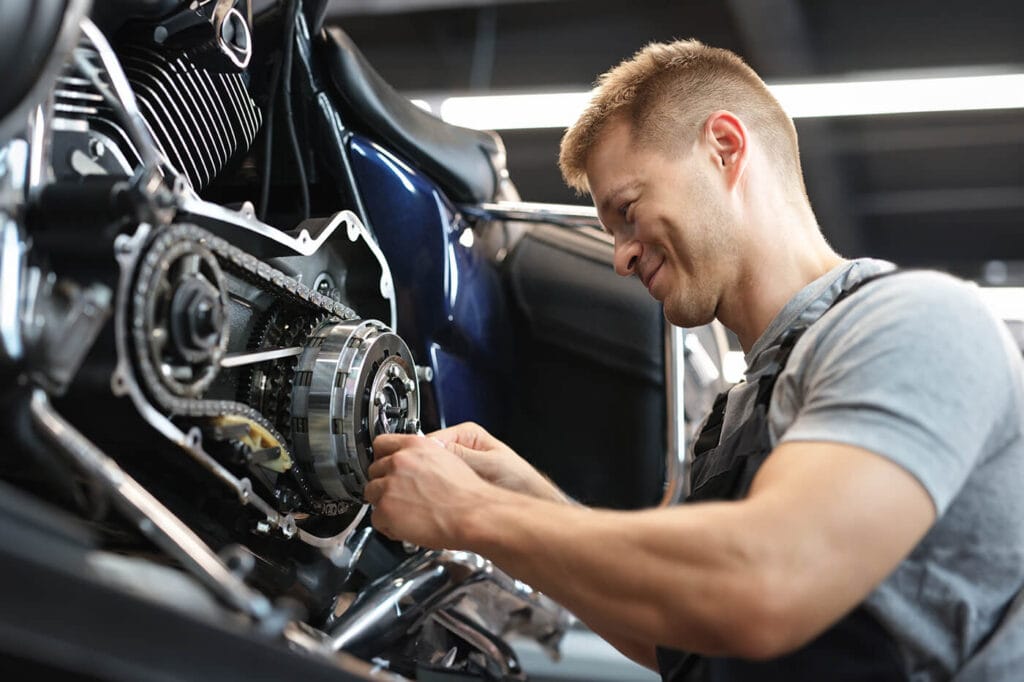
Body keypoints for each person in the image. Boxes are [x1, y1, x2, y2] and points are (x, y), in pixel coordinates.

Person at [364, 39, 1024, 681]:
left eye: (627, 210)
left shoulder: (915, 323)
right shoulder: (737, 414)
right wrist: (517, 493)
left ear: (725, 148)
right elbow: (677, 636)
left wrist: (472, 513)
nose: (621, 256)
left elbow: (766, 581)